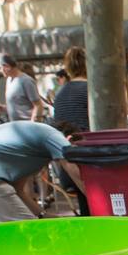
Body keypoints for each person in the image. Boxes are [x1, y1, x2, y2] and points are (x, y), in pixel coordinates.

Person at [52, 47, 90, 215]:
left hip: (68, 154)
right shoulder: (91, 89)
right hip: (89, 153)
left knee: (85, 204)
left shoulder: (60, 93)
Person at [0, 53, 43, 122]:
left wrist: (33, 124)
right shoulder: (9, 80)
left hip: (27, 126)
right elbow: (19, 105)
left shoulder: (26, 81)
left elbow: (38, 105)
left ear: (7, 66)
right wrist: (3, 108)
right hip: (16, 126)